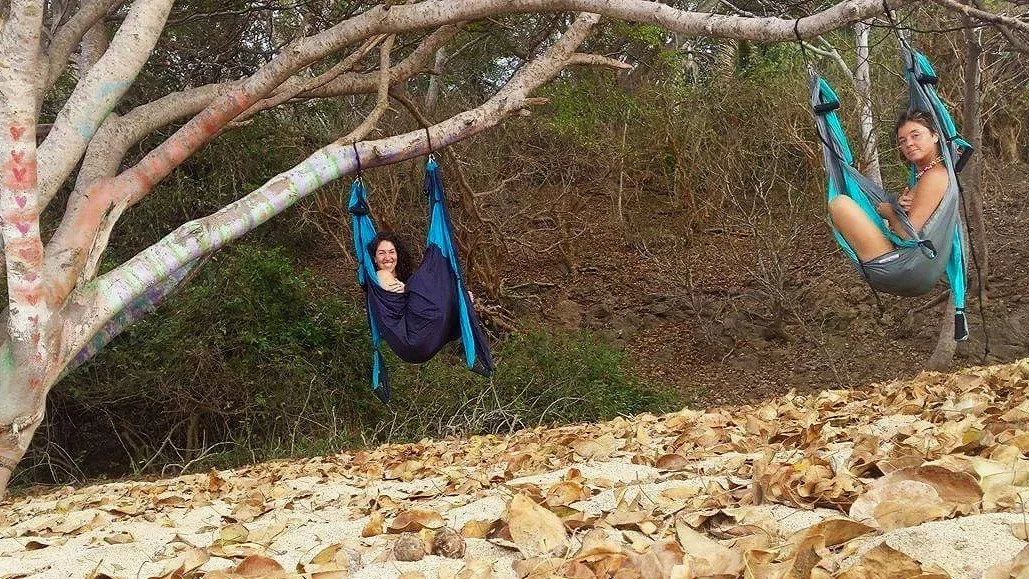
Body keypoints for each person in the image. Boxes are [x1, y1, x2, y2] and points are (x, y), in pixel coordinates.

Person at [828, 110, 949, 263]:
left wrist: (890, 213)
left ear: (935, 136)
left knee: (839, 204)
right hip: (910, 257)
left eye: (915, 135)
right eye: (902, 141)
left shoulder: (934, 175)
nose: (909, 144)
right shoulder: (927, 174)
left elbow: (910, 236)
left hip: (909, 263)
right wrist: (900, 209)